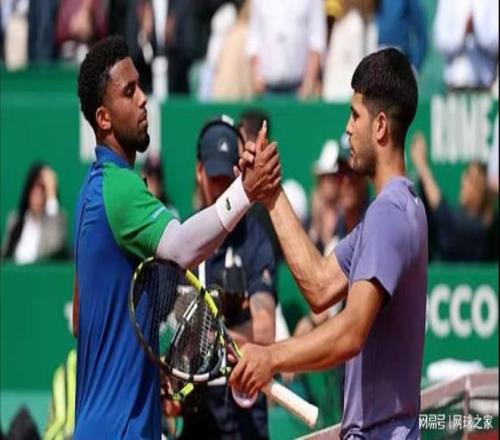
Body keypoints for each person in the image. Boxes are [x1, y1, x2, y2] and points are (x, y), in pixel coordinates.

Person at [72, 36, 280, 439]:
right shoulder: (120, 188)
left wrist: (145, 368)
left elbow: (81, 318)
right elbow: (182, 247)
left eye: (141, 86)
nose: (143, 99)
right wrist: (245, 191)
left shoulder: (90, 193)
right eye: (129, 92)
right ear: (103, 118)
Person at [230, 48, 428, 438]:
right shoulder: (401, 208)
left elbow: (350, 332)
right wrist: (270, 192)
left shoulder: (387, 215)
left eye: (355, 116)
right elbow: (320, 285)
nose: (348, 128)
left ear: (380, 127)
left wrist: (270, 357)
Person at [176, 116, 276, 440]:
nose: (220, 188)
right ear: (199, 171)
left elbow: (266, 329)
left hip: (247, 415)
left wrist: (216, 337)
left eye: (226, 178)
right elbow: (172, 329)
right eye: (213, 177)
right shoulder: (184, 241)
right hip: (198, 416)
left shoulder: (255, 239)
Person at [410, 131, 498, 262]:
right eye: (465, 176)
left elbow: (445, 218)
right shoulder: (461, 216)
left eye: (471, 179)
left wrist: (422, 166)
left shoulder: (482, 230)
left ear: (483, 191)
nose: (464, 182)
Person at [246, 0, 326, 98]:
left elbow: (316, 40)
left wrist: (309, 82)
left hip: (299, 87)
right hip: (266, 88)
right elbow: (254, 40)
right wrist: (256, 76)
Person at [2, 163, 68, 263]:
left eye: (43, 191)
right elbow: (5, 256)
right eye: (35, 192)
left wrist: (51, 194)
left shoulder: (55, 219)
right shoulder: (15, 220)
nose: (38, 197)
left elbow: (54, 246)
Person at [433, 0, 499, 90]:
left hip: (485, 85)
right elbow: (441, 41)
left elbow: (496, 42)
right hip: (455, 85)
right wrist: (463, 32)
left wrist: (477, 29)